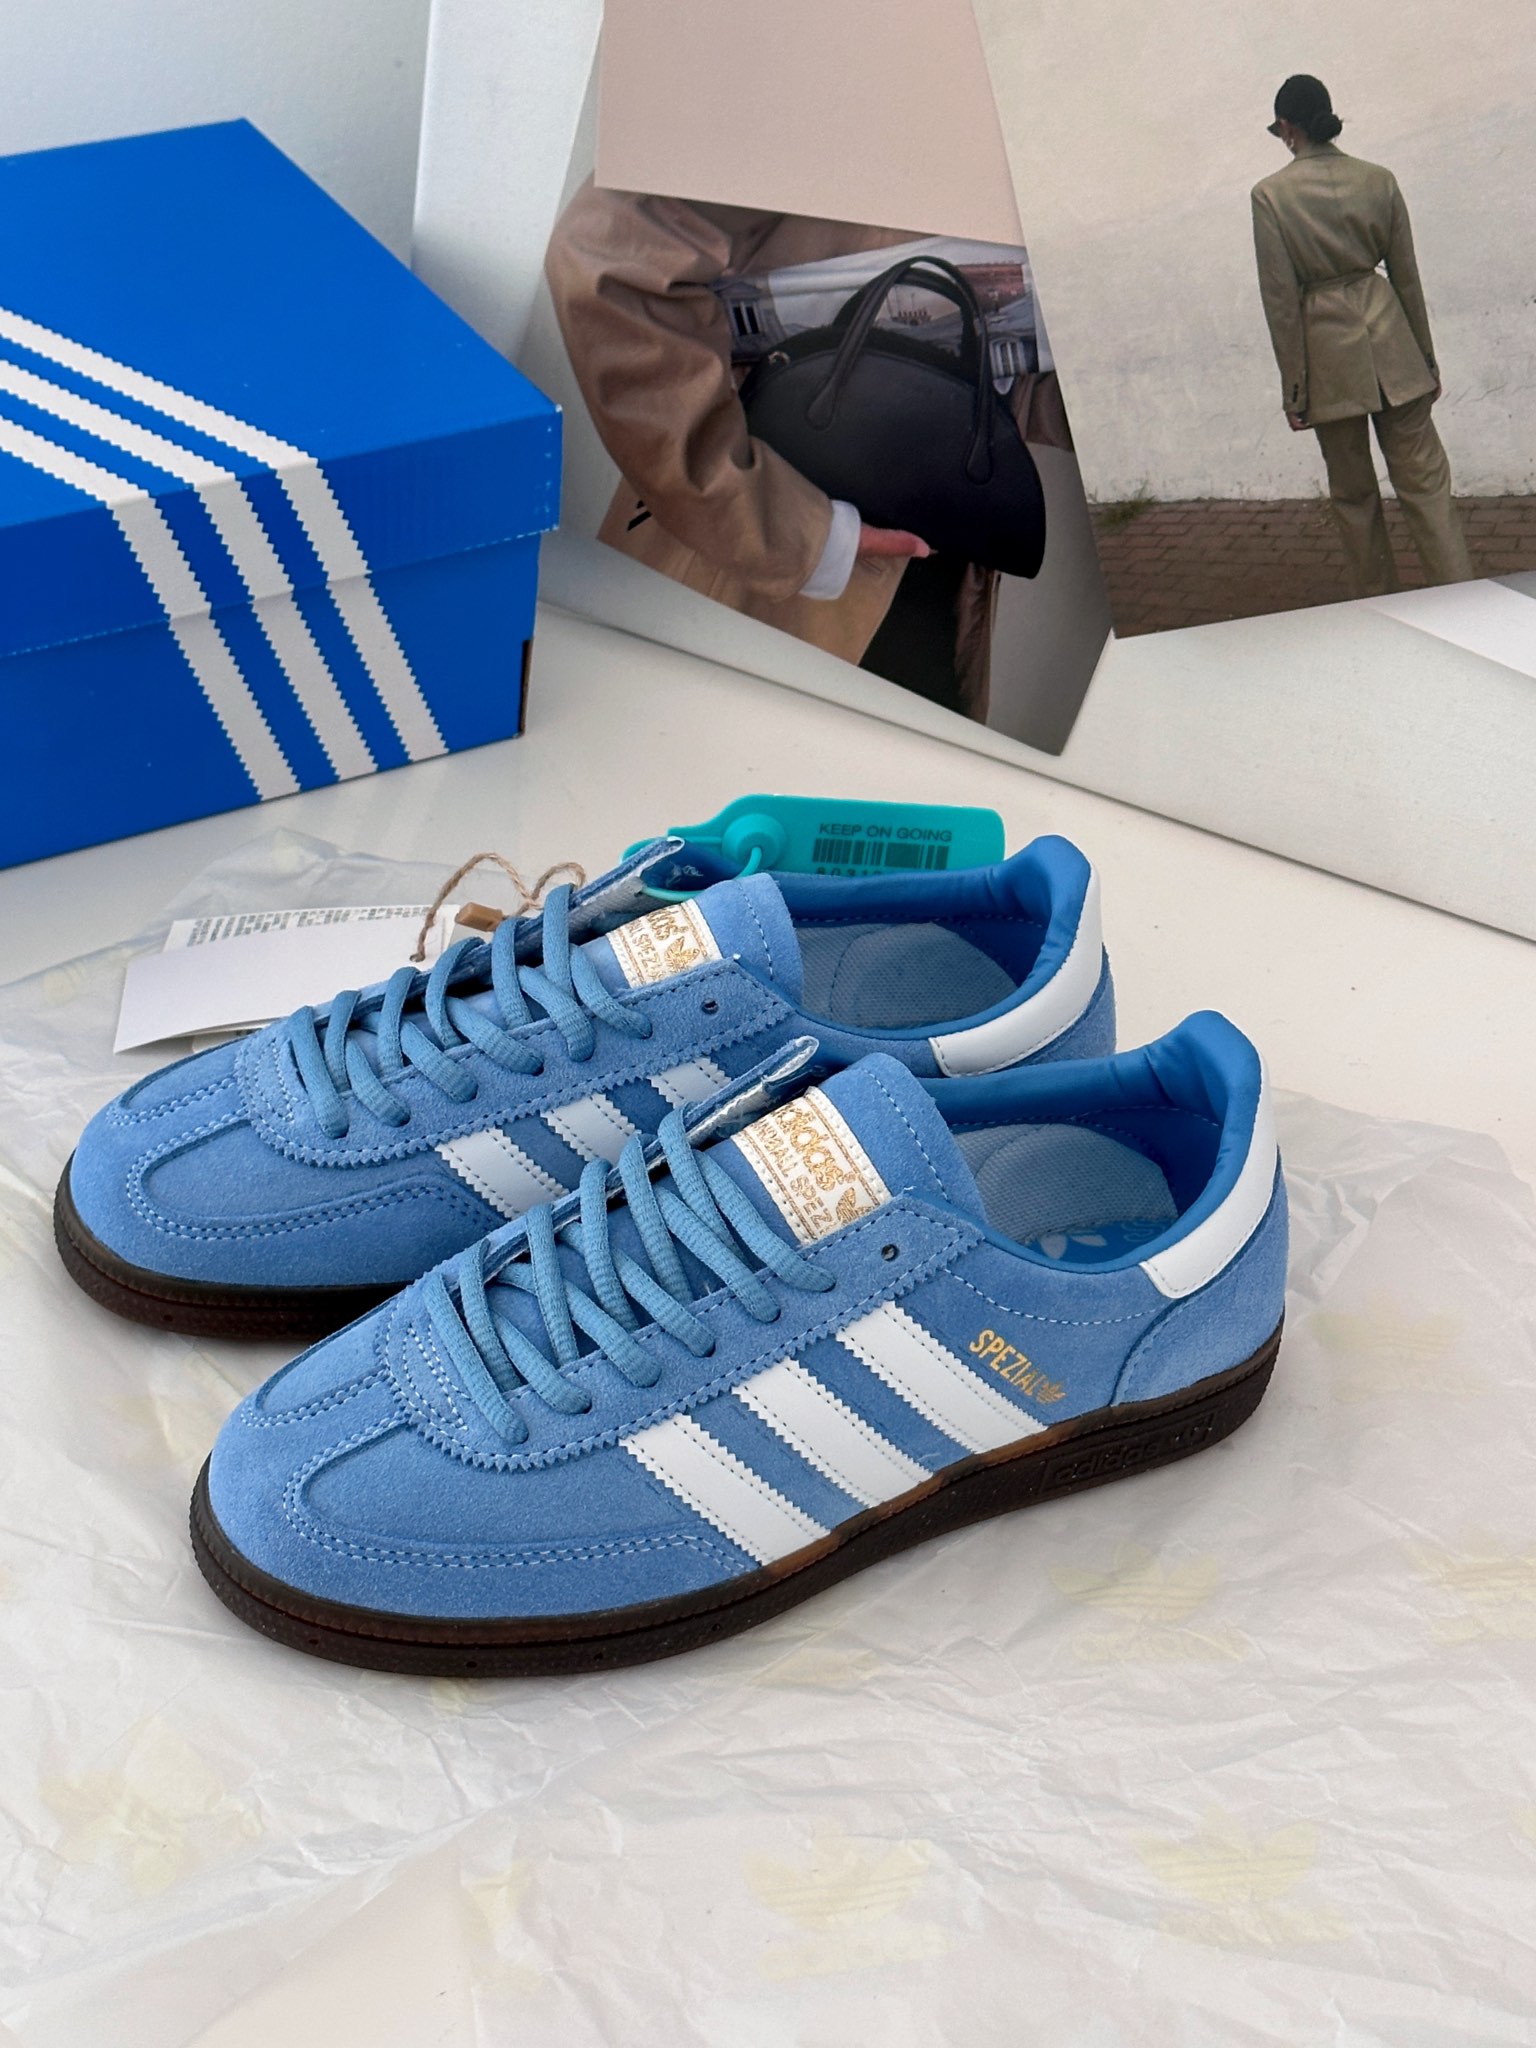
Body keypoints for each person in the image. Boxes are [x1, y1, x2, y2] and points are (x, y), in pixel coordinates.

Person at [544, 182, 1073, 720]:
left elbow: (1022, 381)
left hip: (937, 570)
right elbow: (605, 251)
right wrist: (798, 533)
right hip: (765, 568)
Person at [1251, 74, 1473, 597]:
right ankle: (1462, 604)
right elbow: (1407, 278)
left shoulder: (1270, 196)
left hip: (1329, 363)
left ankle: (1380, 610)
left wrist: (1295, 389)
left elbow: (1281, 302)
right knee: (1427, 487)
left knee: (1353, 497)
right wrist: (1426, 361)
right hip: (1394, 347)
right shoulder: (1379, 179)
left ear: (1287, 127)